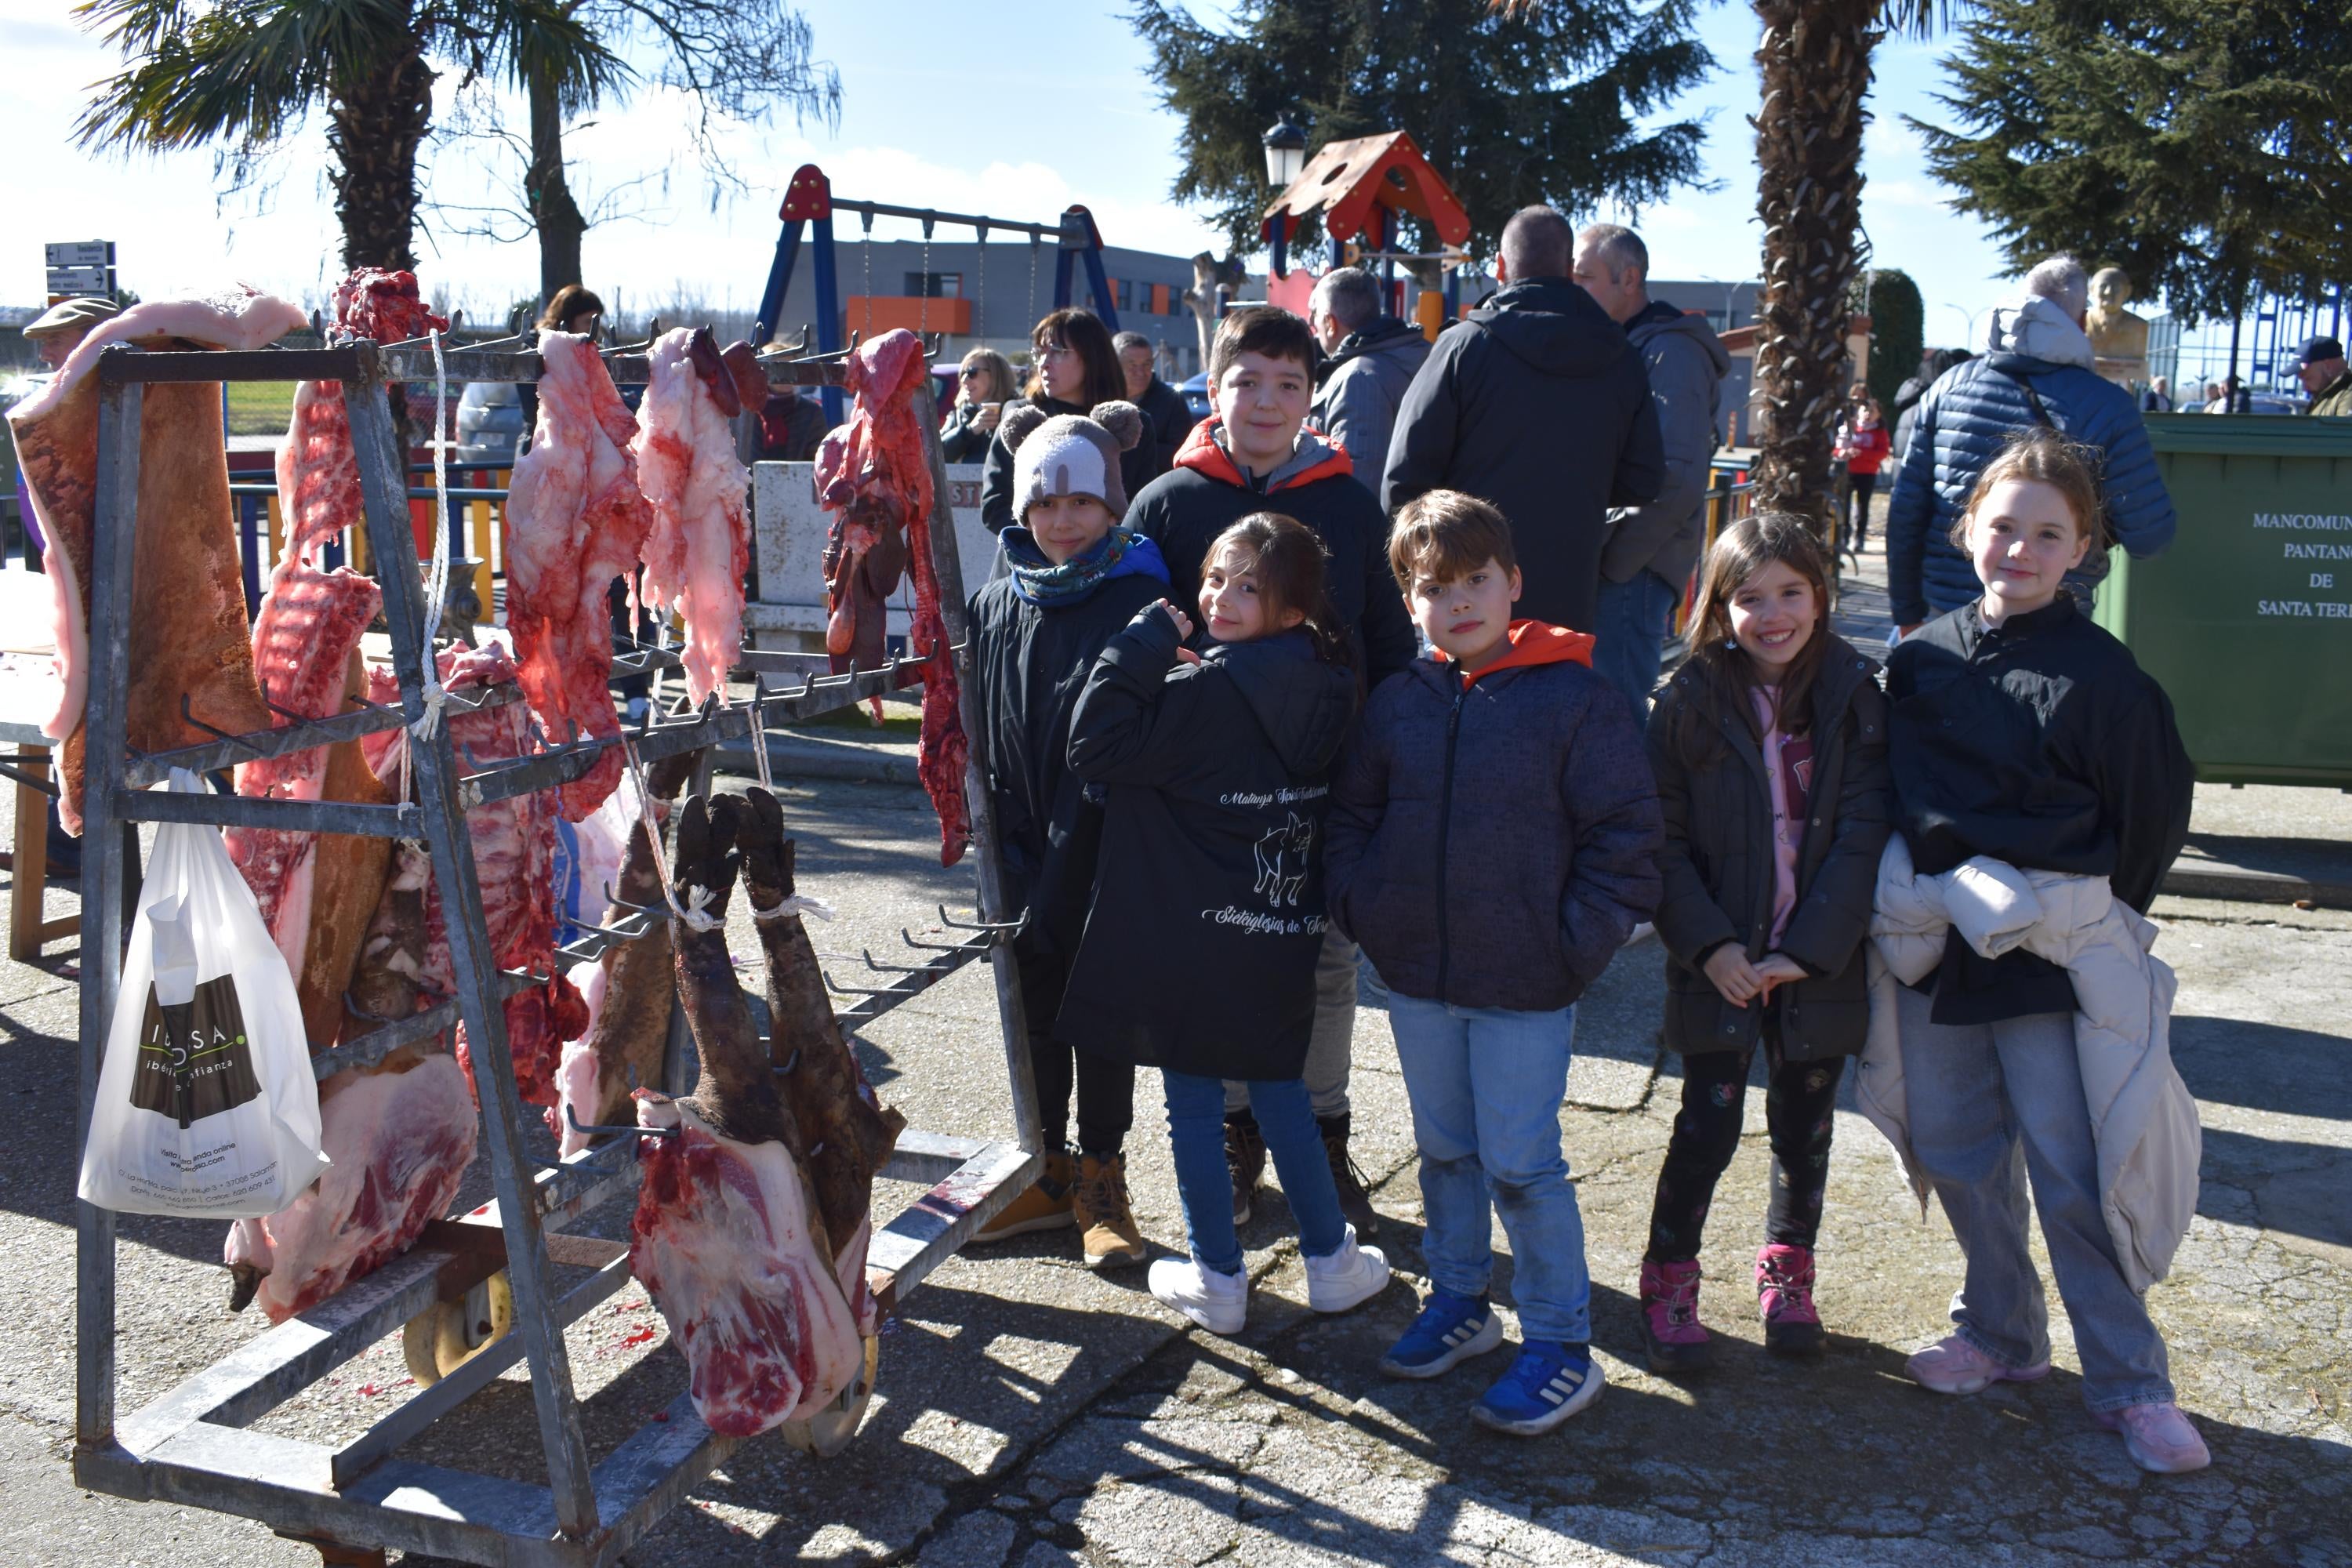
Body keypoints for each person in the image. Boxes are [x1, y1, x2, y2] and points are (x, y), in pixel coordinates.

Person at [1882, 427, 2205, 1475]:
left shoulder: (2109, 682)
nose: (2019, 547)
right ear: (1970, 526)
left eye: (2047, 533)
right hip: (1939, 951)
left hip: (2050, 965)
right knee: (1957, 1151)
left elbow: (2150, 822)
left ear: (2082, 549)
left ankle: (2130, 1383)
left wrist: (2077, 924)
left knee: (2076, 1175)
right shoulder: (1919, 657)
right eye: (2003, 525)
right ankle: (2001, 1333)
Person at [1326, 489, 1661, 1435]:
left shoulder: (1576, 697)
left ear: (1513, 582)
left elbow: (1626, 839)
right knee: (1445, 1151)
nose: (1460, 600)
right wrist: (1367, 907)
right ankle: (1462, 1300)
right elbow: (1351, 816)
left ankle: (1559, 1342)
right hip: (1420, 981)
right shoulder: (1401, 701)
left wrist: (1573, 942)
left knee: (1521, 1163)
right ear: (1410, 601)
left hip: (1526, 986)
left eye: (1478, 580)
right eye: (1435, 586)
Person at [1124, 304, 1419, 1230]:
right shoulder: (1170, 502)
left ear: (1311, 398)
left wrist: (1385, 761)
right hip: (1204, 798)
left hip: (1320, 783)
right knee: (1218, 961)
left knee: (1324, 964)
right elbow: (1131, 641)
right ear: (1214, 388)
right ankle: (1235, 1133)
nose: (1266, 400)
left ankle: (1323, 1132)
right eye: (1247, 380)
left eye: (1289, 384)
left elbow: (1385, 642)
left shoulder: (1343, 502)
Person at [1062, 513, 1390, 1334]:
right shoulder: (1330, 680)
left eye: (1248, 584)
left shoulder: (1204, 688)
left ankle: (1217, 1275)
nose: (1220, 595)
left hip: (1190, 932)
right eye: (1215, 576)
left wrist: (1137, 646)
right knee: (1281, 1088)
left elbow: (1093, 743)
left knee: (1194, 1105)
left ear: (1291, 607)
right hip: (1276, 929)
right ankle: (1330, 1258)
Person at [1636, 514, 1889, 1373]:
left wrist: (1813, 949)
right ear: (1718, 605)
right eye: (1750, 596)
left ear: (1820, 595)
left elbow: (1864, 835)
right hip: (1724, 962)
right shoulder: (1687, 701)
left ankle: (1789, 1269)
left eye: (1791, 591)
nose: (1772, 612)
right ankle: (1670, 1272)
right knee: (1706, 1124)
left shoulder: (1857, 696)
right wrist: (1709, 947)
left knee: (1805, 1125)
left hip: (1817, 963)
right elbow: (1660, 842)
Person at [964, 399, 1166, 1267]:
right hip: (1019, 840)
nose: (1062, 520)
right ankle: (1043, 1167)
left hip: (1109, 843)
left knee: (1101, 1012)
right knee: (1034, 1006)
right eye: (1043, 504)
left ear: (1113, 506)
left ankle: (1101, 1171)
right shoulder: (995, 599)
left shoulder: (1143, 598)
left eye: (1081, 503)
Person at [1385, 204, 1664, 637]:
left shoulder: (1464, 347)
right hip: (1569, 595)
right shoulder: (1621, 356)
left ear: (1500, 266)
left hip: (1466, 596)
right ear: (1570, 270)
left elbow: (1404, 480)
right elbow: (1644, 479)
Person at [1885, 256, 2176, 635]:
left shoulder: (1948, 386)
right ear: (2082, 321)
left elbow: (1906, 510)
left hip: (1946, 616)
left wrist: (1906, 613)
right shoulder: (2108, 407)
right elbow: (2150, 538)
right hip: (2051, 621)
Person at [1570, 223, 1728, 717]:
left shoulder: (1670, 352)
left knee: (1614, 716)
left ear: (1629, 278)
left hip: (1631, 570)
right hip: (1619, 563)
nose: (1574, 290)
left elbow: (1677, 478)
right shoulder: (1629, 343)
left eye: (1585, 278)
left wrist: (1613, 564)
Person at [982, 310, 1151, 533]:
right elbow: (995, 504)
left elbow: (1140, 510)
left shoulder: (1127, 423)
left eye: (1057, 352)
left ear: (1093, 357)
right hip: (1027, 561)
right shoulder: (1021, 415)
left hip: (1108, 562)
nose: (1044, 363)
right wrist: (1045, 543)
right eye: (1040, 353)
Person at [1306, 266, 1430, 500]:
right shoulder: (1418, 355)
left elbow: (1357, 489)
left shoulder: (1358, 380)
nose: (1312, 324)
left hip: (1369, 532)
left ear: (1331, 322)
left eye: (1314, 314)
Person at [1113, 330, 1197, 476]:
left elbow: (1184, 452)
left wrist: (1130, 447)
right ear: (1114, 366)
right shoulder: (1099, 396)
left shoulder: (1171, 400)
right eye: (1132, 365)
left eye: (1146, 364)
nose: (1141, 372)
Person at [939, 348, 1019, 463]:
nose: (964, 380)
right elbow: (937, 454)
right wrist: (970, 430)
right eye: (963, 373)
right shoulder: (959, 414)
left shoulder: (1016, 412)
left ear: (996, 375)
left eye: (972, 373)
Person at [1838, 396, 1892, 558]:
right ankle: (1844, 536)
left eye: (1872, 411)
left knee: (1863, 506)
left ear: (1878, 414)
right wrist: (1844, 453)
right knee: (1845, 505)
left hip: (1867, 473)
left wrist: (1863, 454)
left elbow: (1883, 453)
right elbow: (1837, 447)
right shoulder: (1850, 427)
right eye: (1865, 410)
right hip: (1849, 471)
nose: (1868, 414)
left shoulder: (1880, 432)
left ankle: (1859, 537)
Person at [2297, 336, 2350, 416]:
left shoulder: (2347, 396)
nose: (2304, 388)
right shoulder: (2325, 396)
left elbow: (2345, 428)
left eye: (2308, 379)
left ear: (2328, 366)